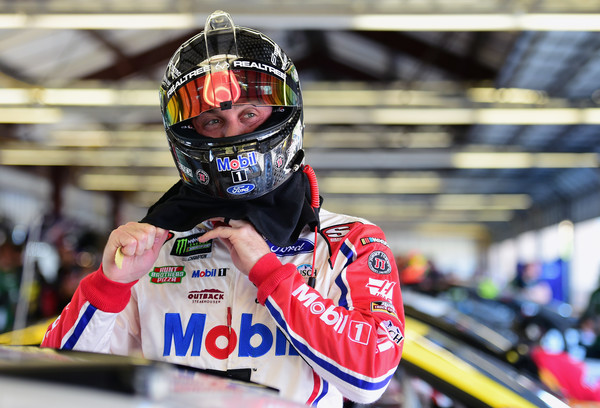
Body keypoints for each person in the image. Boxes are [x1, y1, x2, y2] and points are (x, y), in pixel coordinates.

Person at [41, 10, 404, 407]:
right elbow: (56, 381)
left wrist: (271, 274)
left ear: (282, 115)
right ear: (189, 132)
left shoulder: (349, 241)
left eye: (249, 114)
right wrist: (109, 285)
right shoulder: (154, 245)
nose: (233, 135)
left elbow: (371, 375)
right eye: (213, 121)